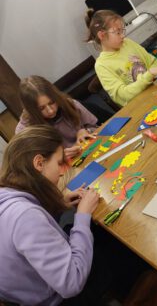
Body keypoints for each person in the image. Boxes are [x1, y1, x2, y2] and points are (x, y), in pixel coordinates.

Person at [0, 125, 100, 305]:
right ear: (39, 163)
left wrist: (57, 205)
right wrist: (83, 215)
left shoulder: (6, 193)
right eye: (59, 163)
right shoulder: (25, 216)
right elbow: (72, 283)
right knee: (115, 248)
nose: (62, 172)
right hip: (57, 299)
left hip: (31, 290)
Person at [85, 9, 157, 107]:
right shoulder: (102, 65)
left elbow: (152, 62)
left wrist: (156, 73)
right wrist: (150, 74)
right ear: (102, 35)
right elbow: (124, 95)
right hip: (140, 106)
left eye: (122, 30)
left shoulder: (127, 43)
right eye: (118, 32)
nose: (123, 35)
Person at [16, 75, 98, 159]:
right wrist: (57, 158)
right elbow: (33, 163)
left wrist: (86, 131)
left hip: (88, 153)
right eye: (41, 108)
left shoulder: (69, 104)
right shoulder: (24, 131)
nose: (50, 111)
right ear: (31, 110)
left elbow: (95, 127)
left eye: (52, 102)